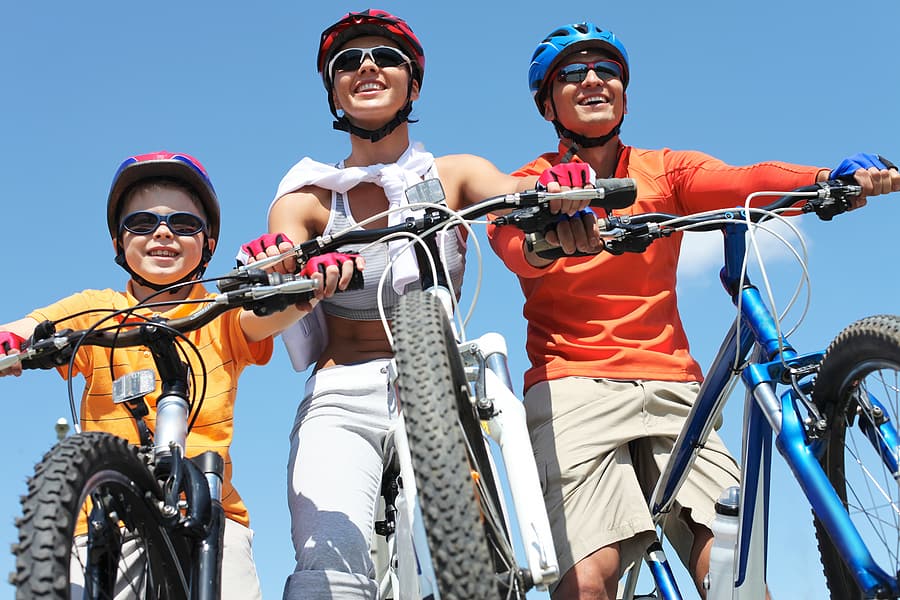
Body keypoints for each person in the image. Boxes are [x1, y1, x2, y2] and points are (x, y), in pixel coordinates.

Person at [487, 22, 900, 600]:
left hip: (674, 387)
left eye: (606, 70)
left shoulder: (663, 169)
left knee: (732, 569)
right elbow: (513, 250)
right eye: (571, 73)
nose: (592, 80)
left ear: (626, 92)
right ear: (547, 102)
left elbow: (741, 181)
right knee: (588, 580)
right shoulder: (529, 184)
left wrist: (826, 179)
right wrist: (549, 228)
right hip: (571, 386)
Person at [238, 9, 580, 599]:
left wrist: (551, 189)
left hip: (445, 385)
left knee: (480, 563)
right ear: (334, 91)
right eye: (348, 62)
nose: (366, 66)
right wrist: (282, 260)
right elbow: (284, 249)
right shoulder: (308, 196)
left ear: (412, 84)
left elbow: (511, 192)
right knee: (328, 566)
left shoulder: (453, 174)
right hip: (342, 393)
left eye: (384, 58)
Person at [0, 150, 358, 599]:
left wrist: (308, 287)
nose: (163, 233)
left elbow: (265, 317)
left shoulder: (217, 311)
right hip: (105, 517)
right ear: (118, 243)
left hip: (213, 518)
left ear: (207, 245)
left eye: (185, 225)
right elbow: (30, 327)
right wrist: (12, 342)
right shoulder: (95, 310)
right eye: (142, 223)